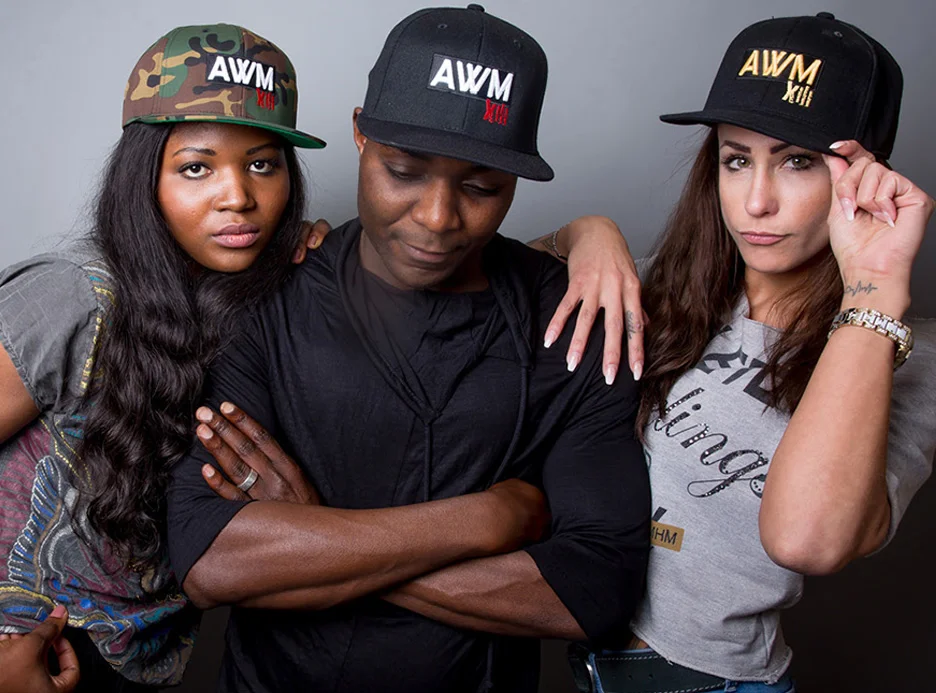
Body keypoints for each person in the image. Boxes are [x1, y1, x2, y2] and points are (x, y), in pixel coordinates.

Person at [166, 5, 651, 692]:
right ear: (360, 134)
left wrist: (314, 533)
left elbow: (593, 592)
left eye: (481, 186)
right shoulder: (269, 294)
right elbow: (211, 560)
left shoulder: (575, 318)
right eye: (404, 171)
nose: (437, 217)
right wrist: (484, 520)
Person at [556, 13, 935, 693]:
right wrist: (589, 233)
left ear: (867, 176)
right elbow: (491, 283)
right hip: (579, 664)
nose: (756, 201)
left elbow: (807, 540)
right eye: (737, 159)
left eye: (798, 162)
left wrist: (874, 286)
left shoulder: (898, 352)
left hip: (719, 684)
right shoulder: (660, 287)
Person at [0, 23, 327, 690]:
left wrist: (574, 247)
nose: (238, 196)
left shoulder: (268, 296)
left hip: (137, 666)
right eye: (196, 167)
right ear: (143, 177)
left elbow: (455, 256)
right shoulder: (76, 294)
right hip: (26, 653)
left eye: (263, 164)